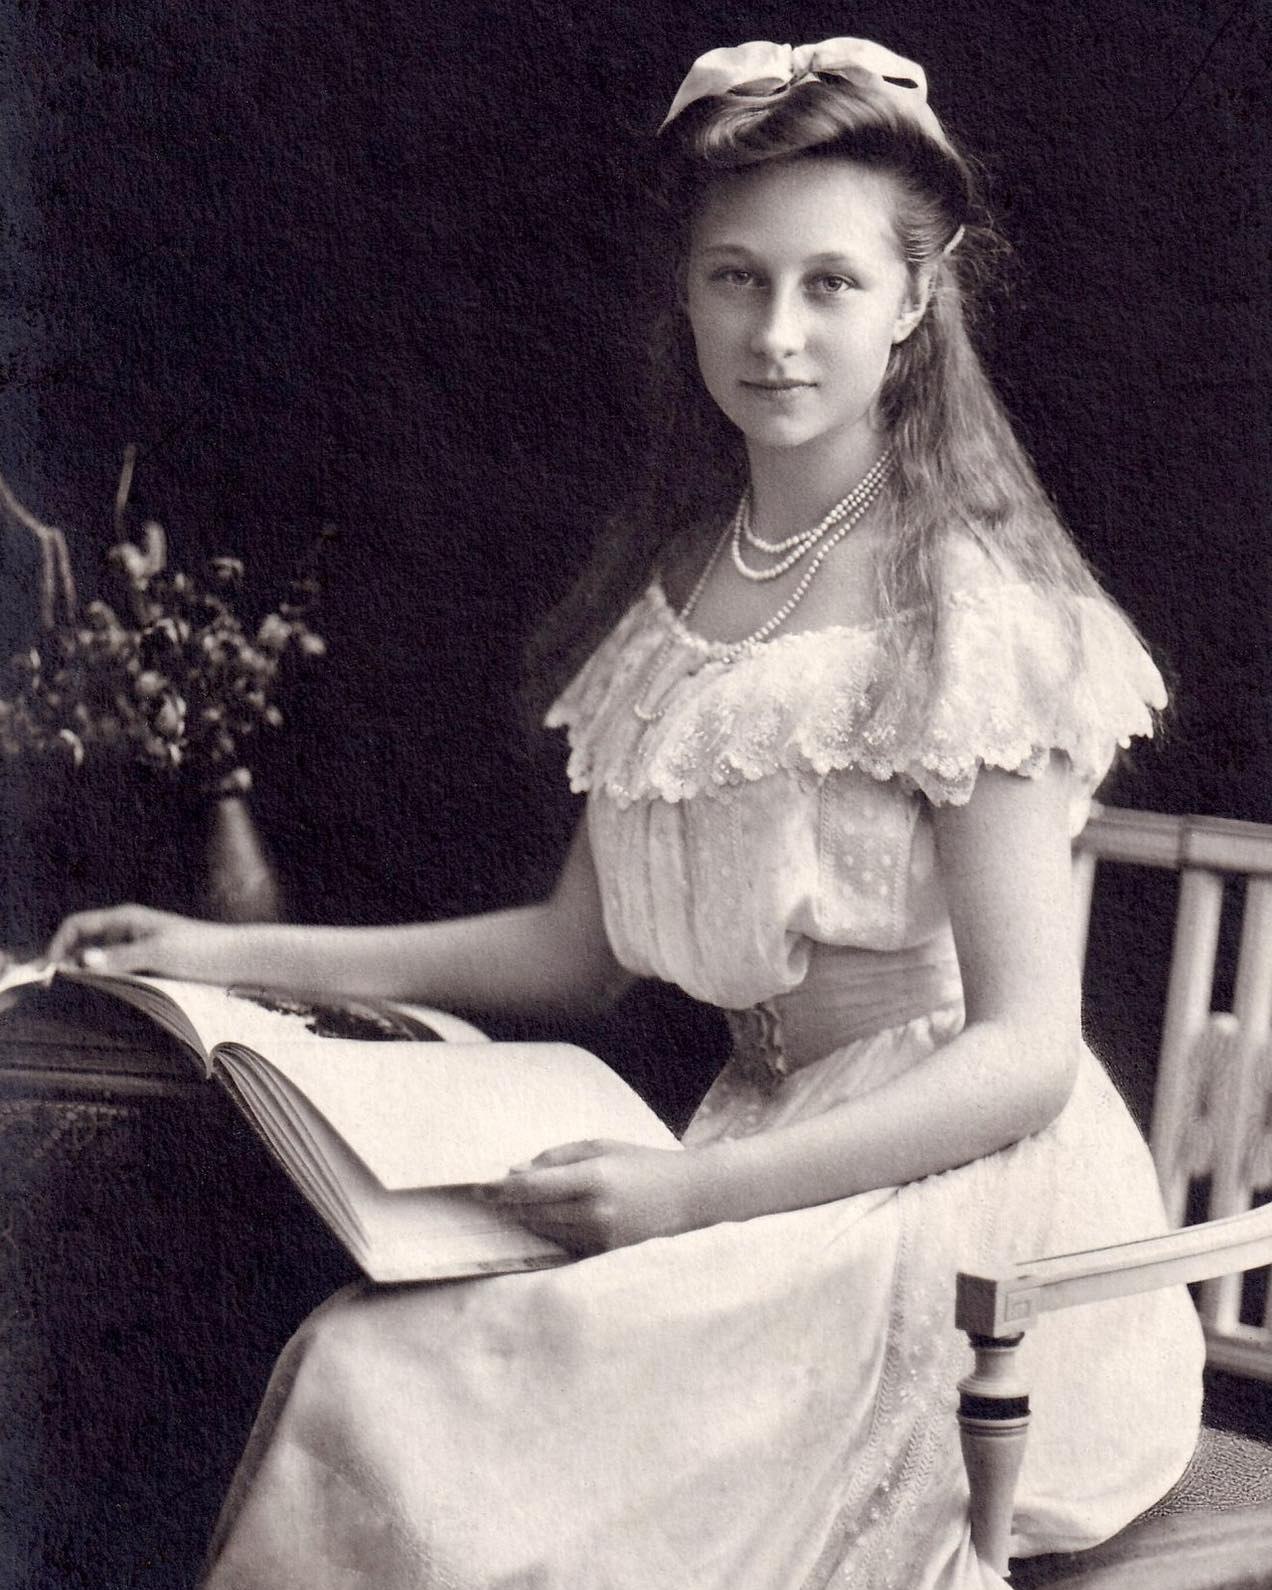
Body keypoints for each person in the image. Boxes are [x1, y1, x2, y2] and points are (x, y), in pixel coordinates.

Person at [48, 35, 1204, 1590]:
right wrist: (222, 954)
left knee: (408, 1389)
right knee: (371, 1355)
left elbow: (1023, 1056)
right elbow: (571, 949)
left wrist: (687, 1194)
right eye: (737, 278)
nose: (776, 333)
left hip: (965, 1223)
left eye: (831, 284)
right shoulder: (684, 598)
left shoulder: (969, 616)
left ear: (915, 302)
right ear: (687, 292)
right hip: (761, 1159)